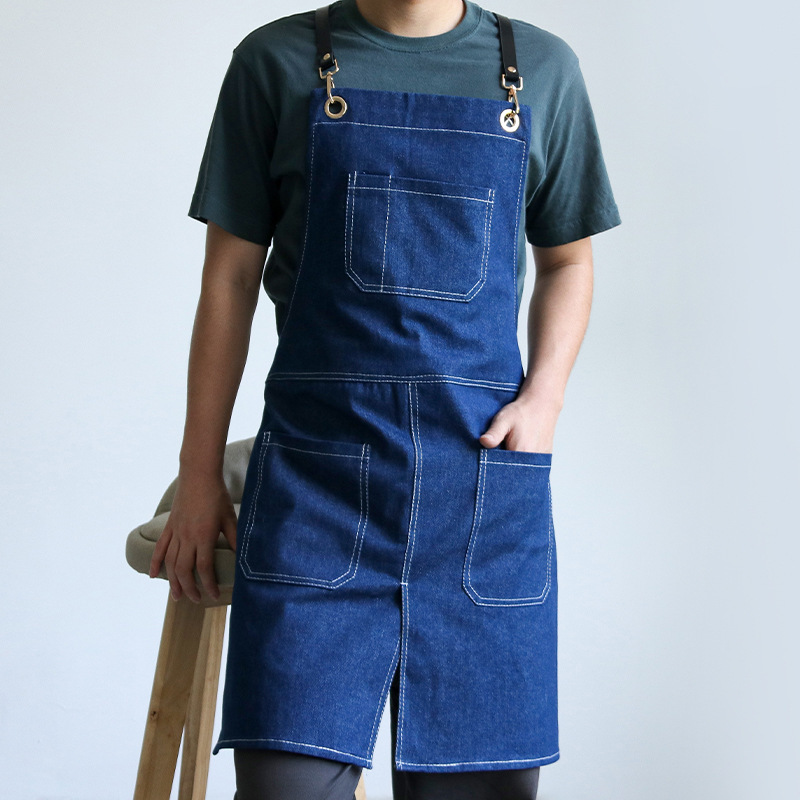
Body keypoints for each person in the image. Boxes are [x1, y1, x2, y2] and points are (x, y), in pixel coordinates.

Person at [149, 0, 621, 797]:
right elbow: (227, 279)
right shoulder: (274, 61)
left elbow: (569, 261)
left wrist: (545, 398)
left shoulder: (542, 69)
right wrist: (199, 475)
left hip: (479, 498)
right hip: (316, 497)